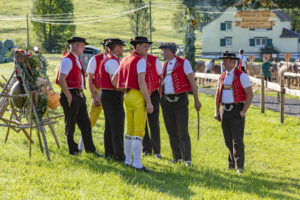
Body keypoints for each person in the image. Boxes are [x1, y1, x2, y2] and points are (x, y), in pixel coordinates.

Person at [159, 42, 201, 167]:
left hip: (180, 101)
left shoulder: (184, 63)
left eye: (163, 50)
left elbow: (192, 82)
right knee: (171, 130)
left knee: (182, 130)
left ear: (169, 51)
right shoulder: (165, 65)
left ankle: (187, 159)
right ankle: (176, 157)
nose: (161, 53)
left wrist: (196, 100)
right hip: (166, 101)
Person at [56, 36, 99, 156]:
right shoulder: (67, 60)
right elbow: (61, 79)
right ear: (75, 46)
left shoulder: (76, 59)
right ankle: (72, 149)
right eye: (82, 45)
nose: (84, 48)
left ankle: (90, 149)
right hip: (71, 94)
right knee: (71, 124)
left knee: (86, 124)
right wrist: (69, 96)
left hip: (79, 94)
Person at [116, 36, 154, 173]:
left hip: (127, 96)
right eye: (144, 45)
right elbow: (141, 82)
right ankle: (137, 164)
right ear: (137, 47)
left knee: (130, 129)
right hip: (137, 95)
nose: (147, 48)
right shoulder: (140, 60)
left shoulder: (125, 60)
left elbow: (116, 79)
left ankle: (128, 160)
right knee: (139, 130)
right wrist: (149, 101)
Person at [214, 52, 253, 175]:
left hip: (237, 109)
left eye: (225, 60)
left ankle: (239, 166)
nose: (223, 63)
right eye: (223, 60)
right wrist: (216, 111)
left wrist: (243, 111)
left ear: (232, 62)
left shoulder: (242, 76)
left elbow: (250, 94)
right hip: (224, 110)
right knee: (227, 140)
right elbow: (217, 95)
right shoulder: (221, 77)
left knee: (237, 140)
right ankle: (232, 165)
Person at [78, 38, 110, 152]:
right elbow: (90, 79)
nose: (109, 49)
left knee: (111, 123)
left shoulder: (116, 60)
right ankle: (81, 146)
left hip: (111, 94)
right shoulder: (95, 59)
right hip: (98, 92)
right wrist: (94, 96)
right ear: (104, 47)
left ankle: (110, 150)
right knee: (90, 121)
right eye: (108, 46)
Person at [99, 38, 126, 161]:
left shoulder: (111, 60)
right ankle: (118, 155)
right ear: (117, 48)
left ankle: (110, 153)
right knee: (117, 126)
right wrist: (127, 89)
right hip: (112, 95)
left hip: (109, 95)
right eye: (121, 47)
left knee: (110, 126)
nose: (123, 49)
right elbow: (115, 83)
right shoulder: (112, 61)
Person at [142, 43, 163, 159]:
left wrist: (160, 92)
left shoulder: (155, 60)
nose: (145, 48)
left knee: (154, 123)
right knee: (142, 123)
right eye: (142, 46)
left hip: (153, 93)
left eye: (146, 46)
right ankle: (146, 149)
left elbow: (161, 77)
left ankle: (157, 151)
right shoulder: (136, 60)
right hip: (140, 94)